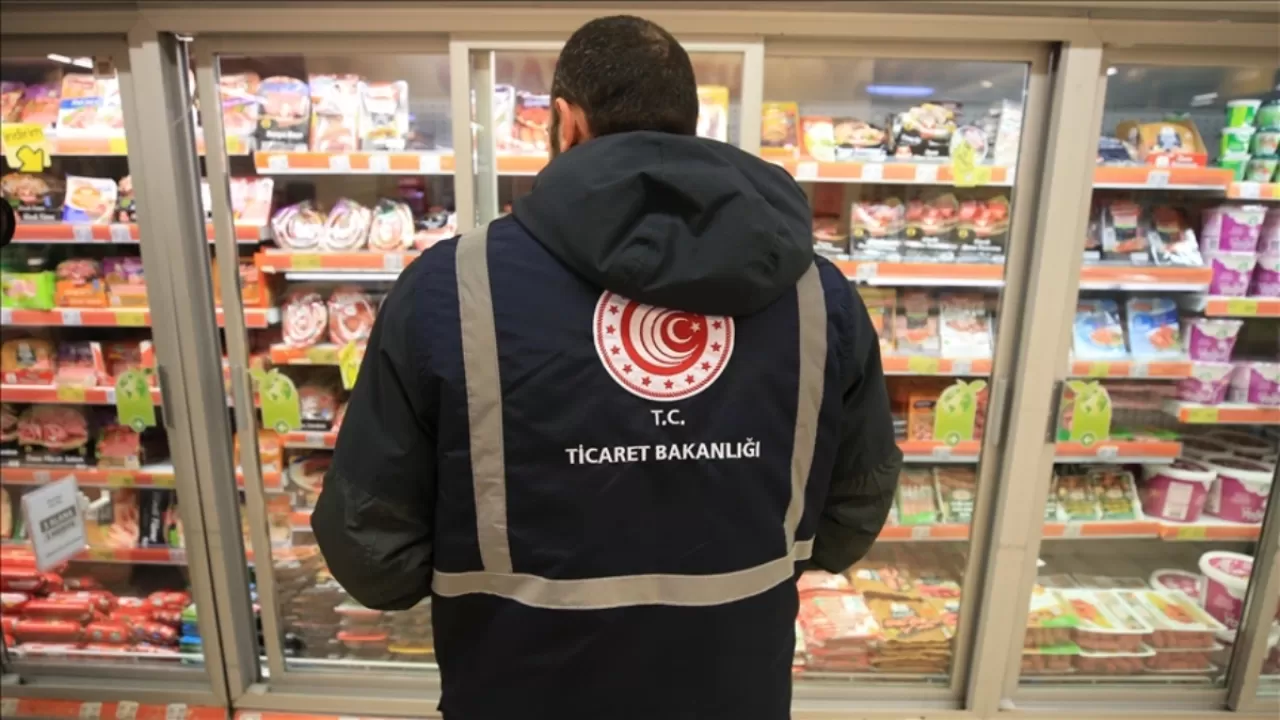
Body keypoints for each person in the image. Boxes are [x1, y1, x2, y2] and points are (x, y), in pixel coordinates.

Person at [312, 14, 901, 720]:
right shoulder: (818, 296)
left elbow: (373, 556)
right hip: (734, 691)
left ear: (567, 124)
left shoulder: (452, 287)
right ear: (690, 123)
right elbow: (851, 516)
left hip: (516, 693)